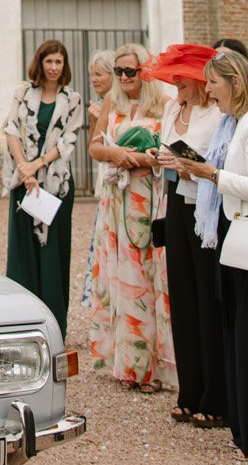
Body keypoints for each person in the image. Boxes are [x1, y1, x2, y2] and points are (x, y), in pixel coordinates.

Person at [174, 48, 248, 460]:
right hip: (237, 227)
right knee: (237, 332)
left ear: (236, 84)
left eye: (213, 82)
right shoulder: (235, 122)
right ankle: (246, 429)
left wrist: (212, 174)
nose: (208, 90)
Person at [87, 43, 174, 391]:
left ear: (146, 72)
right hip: (117, 199)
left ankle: (153, 368)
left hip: (149, 198)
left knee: (149, 278)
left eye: (130, 72)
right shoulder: (113, 101)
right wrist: (115, 152)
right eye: (119, 71)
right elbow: (94, 146)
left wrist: (138, 159)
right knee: (121, 277)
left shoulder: (165, 105)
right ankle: (127, 365)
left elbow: (168, 154)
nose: (123, 78)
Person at [147, 43, 226, 426]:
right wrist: (160, 158)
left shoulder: (216, 115)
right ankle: (189, 389)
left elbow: (218, 163)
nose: (175, 85)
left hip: (206, 206)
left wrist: (187, 164)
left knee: (207, 299)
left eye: (182, 79)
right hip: (175, 203)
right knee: (181, 295)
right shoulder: (171, 109)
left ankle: (215, 393)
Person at [2, 40, 84, 339]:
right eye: (48, 61)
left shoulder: (71, 99)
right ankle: (22, 322)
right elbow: (11, 130)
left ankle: (53, 326)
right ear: (40, 63)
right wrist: (24, 169)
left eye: (58, 62)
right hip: (24, 183)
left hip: (55, 184)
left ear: (64, 66)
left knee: (53, 254)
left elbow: (68, 142)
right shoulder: (23, 92)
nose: (53, 67)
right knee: (23, 252)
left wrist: (36, 166)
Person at [80, 52, 115, 311]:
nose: (93, 79)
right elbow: (94, 147)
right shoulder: (100, 103)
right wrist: (94, 119)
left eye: (99, 74)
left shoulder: (115, 105)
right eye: (92, 74)